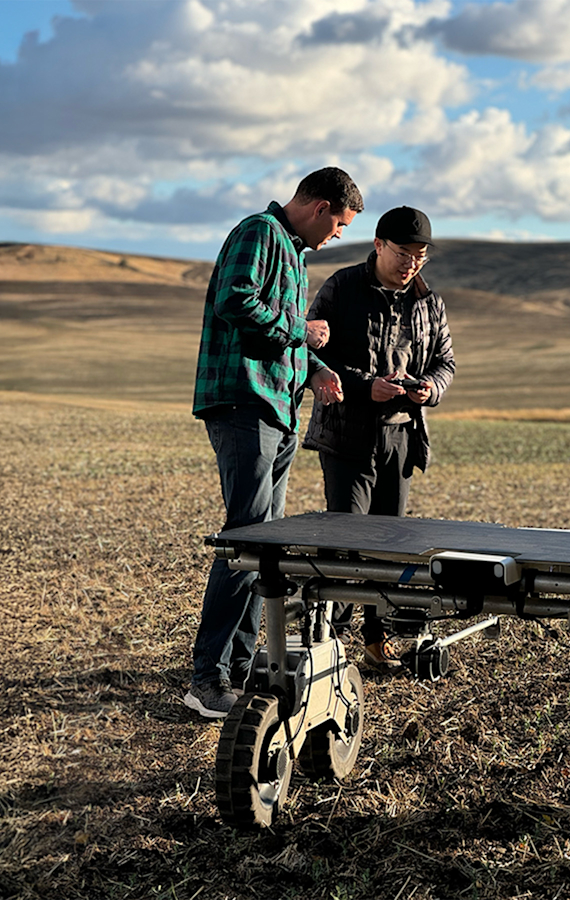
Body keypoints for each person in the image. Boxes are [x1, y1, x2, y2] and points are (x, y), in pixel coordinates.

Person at [186, 167, 363, 718]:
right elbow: (235, 302)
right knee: (247, 541)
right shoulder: (259, 232)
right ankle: (207, 678)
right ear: (317, 205)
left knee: (264, 546)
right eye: (338, 222)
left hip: (277, 408)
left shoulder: (295, 252)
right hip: (244, 403)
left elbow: (278, 333)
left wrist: (313, 367)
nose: (337, 235)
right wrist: (300, 331)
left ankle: (237, 670)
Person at [302, 206, 455, 668]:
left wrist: (429, 390)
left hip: (402, 437)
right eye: (403, 253)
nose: (411, 263)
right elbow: (310, 352)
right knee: (346, 542)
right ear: (378, 245)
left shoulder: (431, 303)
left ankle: (375, 638)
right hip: (347, 434)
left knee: (390, 545)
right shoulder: (342, 288)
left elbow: (446, 363)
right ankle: (327, 641)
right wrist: (365, 385)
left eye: (420, 255)